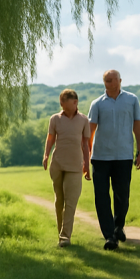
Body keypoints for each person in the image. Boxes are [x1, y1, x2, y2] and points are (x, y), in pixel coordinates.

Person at [88, 69, 140, 250]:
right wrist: (85, 156)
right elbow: (89, 132)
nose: (110, 83)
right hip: (100, 157)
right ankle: (109, 236)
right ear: (104, 83)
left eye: (113, 80)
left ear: (120, 80)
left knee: (122, 194)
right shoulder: (97, 104)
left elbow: (137, 126)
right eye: (107, 80)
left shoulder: (132, 100)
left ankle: (118, 225)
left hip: (124, 156)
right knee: (101, 197)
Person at [42, 88, 91, 247]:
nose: (61, 104)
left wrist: (87, 164)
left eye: (64, 101)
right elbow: (50, 139)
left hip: (75, 166)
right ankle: (61, 234)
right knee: (59, 201)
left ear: (75, 102)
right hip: (57, 164)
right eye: (61, 101)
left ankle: (65, 237)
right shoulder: (55, 119)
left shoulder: (84, 120)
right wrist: (46, 155)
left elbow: (85, 144)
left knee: (71, 201)